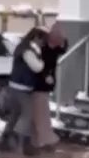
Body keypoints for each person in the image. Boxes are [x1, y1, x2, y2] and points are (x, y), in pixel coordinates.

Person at [0, 27, 47, 156]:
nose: (44, 43)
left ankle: (5, 141)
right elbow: (37, 67)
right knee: (27, 115)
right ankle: (25, 145)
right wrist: (45, 61)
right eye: (43, 40)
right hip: (22, 88)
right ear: (36, 38)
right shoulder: (27, 51)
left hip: (15, 87)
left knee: (15, 114)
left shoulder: (23, 47)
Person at [32, 24, 68, 152]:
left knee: (40, 114)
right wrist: (46, 75)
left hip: (46, 86)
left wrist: (64, 39)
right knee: (41, 114)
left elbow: (63, 49)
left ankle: (38, 141)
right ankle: (46, 140)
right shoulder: (42, 50)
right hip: (38, 85)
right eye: (57, 37)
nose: (59, 41)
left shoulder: (55, 49)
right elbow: (38, 67)